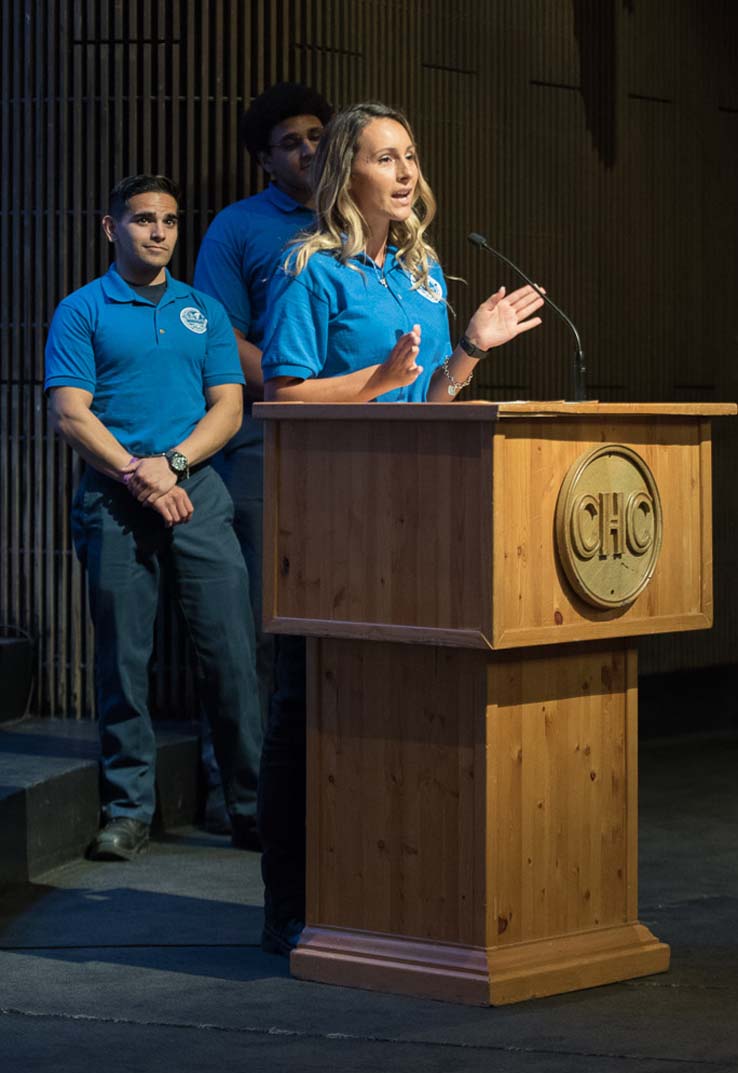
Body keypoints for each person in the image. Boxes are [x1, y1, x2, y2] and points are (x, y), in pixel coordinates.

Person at [256, 102, 545, 953]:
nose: (407, 171)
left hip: (411, 520)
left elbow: (431, 402)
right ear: (345, 171)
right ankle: (288, 905)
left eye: (411, 155)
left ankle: (380, 896)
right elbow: (283, 395)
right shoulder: (309, 268)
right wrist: (375, 381)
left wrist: (471, 350)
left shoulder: (423, 269)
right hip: (328, 520)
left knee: (394, 707)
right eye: (386, 157)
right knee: (304, 710)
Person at [44, 174, 262, 860]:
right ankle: (127, 809)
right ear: (112, 229)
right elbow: (70, 414)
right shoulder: (82, 309)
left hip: (196, 492)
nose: (160, 231)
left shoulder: (203, 310)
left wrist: (172, 463)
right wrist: (140, 475)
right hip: (114, 497)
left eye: (168, 219)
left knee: (231, 655)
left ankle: (248, 804)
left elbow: (229, 406)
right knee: (123, 661)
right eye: (143, 219)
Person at [193, 83, 333, 833]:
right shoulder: (239, 227)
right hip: (263, 442)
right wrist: (299, 389)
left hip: (356, 447)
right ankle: (243, 797)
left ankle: (331, 784)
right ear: (264, 161)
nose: (308, 150)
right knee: (255, 624)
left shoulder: (355, 215)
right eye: (291, 142)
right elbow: (220, 337)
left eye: (318, 135)